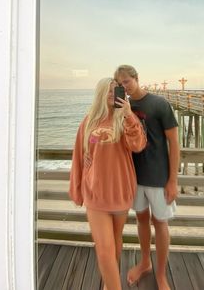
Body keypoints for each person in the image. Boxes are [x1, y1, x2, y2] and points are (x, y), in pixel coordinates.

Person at [69, 77, 147, 290]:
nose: (113, 94)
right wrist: (77, 190)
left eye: (117, 90)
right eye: (109, 90)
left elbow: (138, 145)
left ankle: (107, 283)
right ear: (101, 94)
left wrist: (129, 115)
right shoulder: (88, 122)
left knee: (115, 242)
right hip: (95, 194)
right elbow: (79, 157)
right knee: (104, 249)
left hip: (121, 192)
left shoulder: (125, 120)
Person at [114, 65, 180, 290]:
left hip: (159, 177)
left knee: (160, 223)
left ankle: (161, 275)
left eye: (127, 82)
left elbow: (174, 143)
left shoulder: (159, 104)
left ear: (136, 78)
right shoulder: (122, 107)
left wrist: (173, 180)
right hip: (135, 176)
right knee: (141, 219)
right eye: (120, 84)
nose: (124, 87)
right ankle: (145, 263)